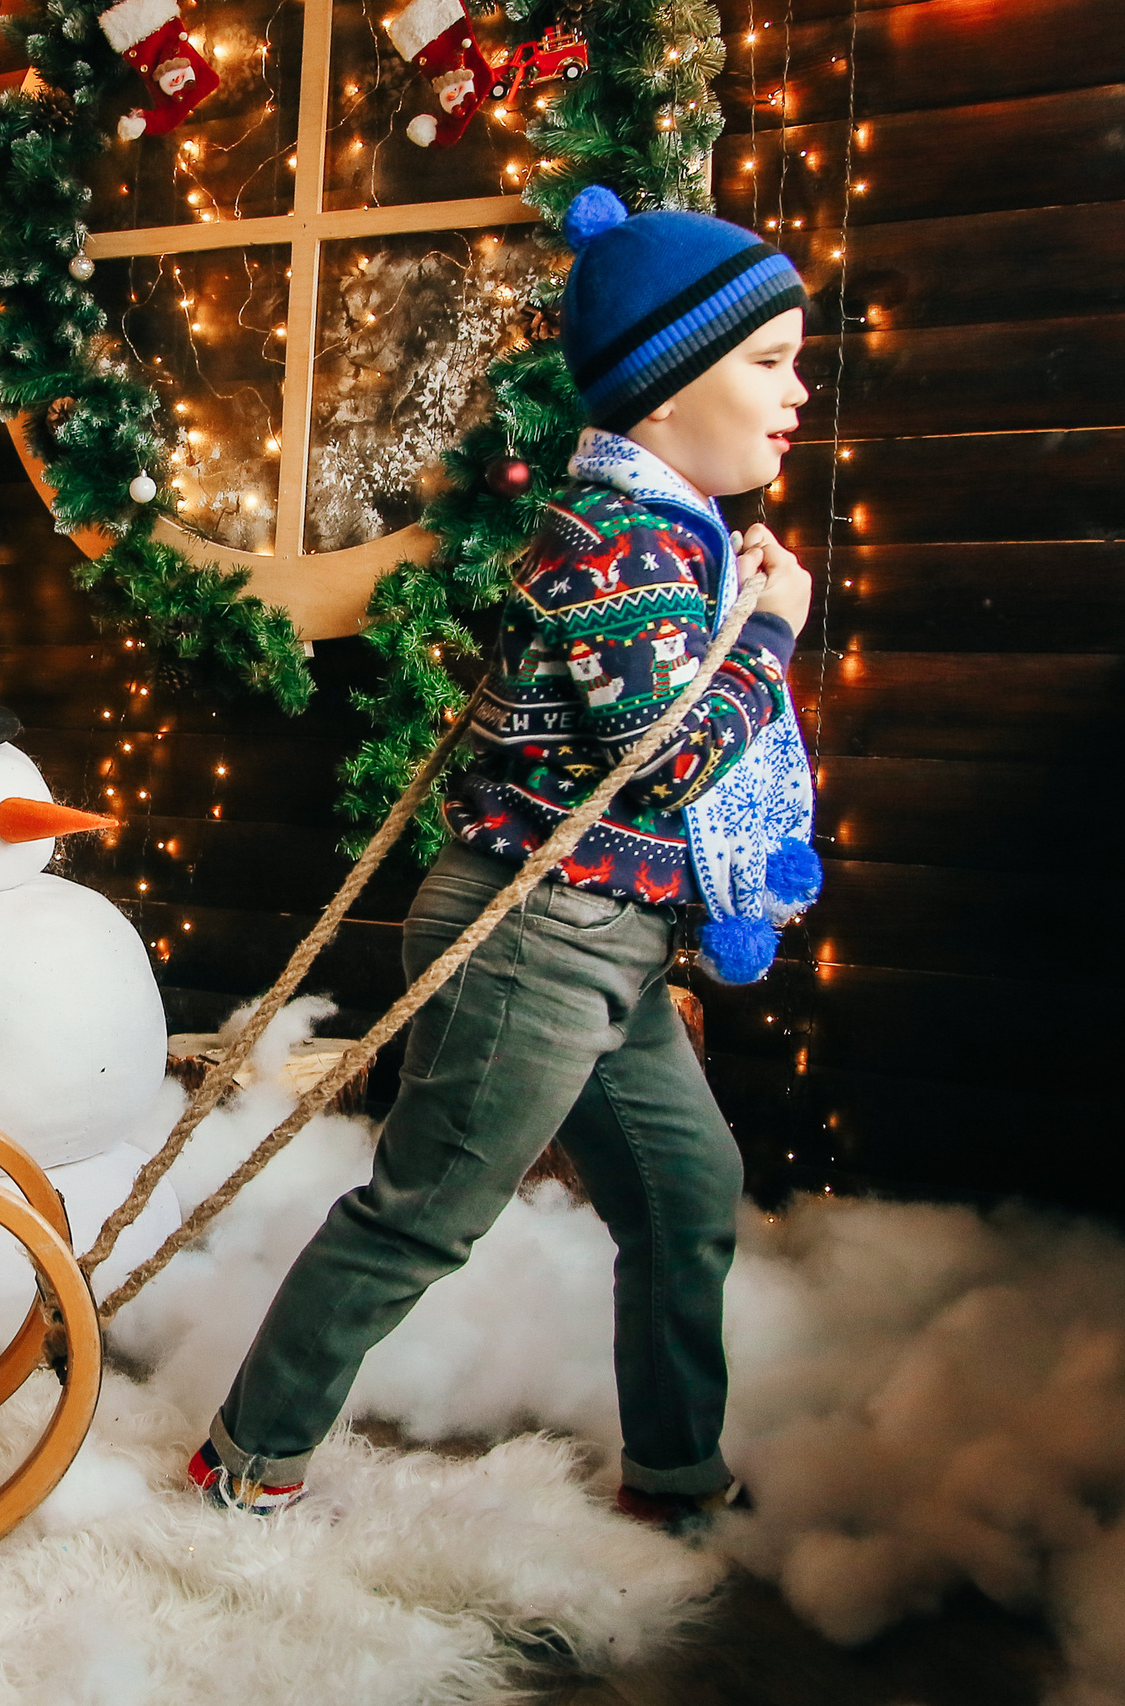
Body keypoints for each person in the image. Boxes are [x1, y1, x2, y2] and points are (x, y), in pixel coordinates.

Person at [187, 185, 816, 1531]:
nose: (797, 390)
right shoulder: (622, 538)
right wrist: (770, 633)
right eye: (769, 359)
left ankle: (674, 1476)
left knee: (689, 1192)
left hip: (613, 933)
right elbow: (668, 754)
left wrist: (739, 605)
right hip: (539, 934)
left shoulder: (669, 532)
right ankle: (246, 1456)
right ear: (662, 391)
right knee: (423, 1213)